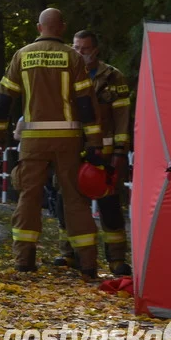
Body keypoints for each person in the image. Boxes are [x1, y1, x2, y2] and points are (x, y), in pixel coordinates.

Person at [0, 8, 104, 277]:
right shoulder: (72, 57)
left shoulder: (22, 55)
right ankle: (87, 263)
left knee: (28, 197)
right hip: (68, 141)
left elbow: (4, 99)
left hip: (33, 141)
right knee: (74, 199)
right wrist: (95, 140)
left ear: (39, 28)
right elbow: (86, 102)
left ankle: (24, 260)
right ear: (62, 27)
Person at [51, 30, 132, 276]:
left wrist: (119, 152)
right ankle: (69, 253)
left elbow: (122, 117)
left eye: (84, 49)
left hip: (106, 155)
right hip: (72, 150)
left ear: (95, 50)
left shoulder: (112, 76)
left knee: (109, 206)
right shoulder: (64, 74)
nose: (79, 53)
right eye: (75, 48)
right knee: (68, 203)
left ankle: (117, 259)